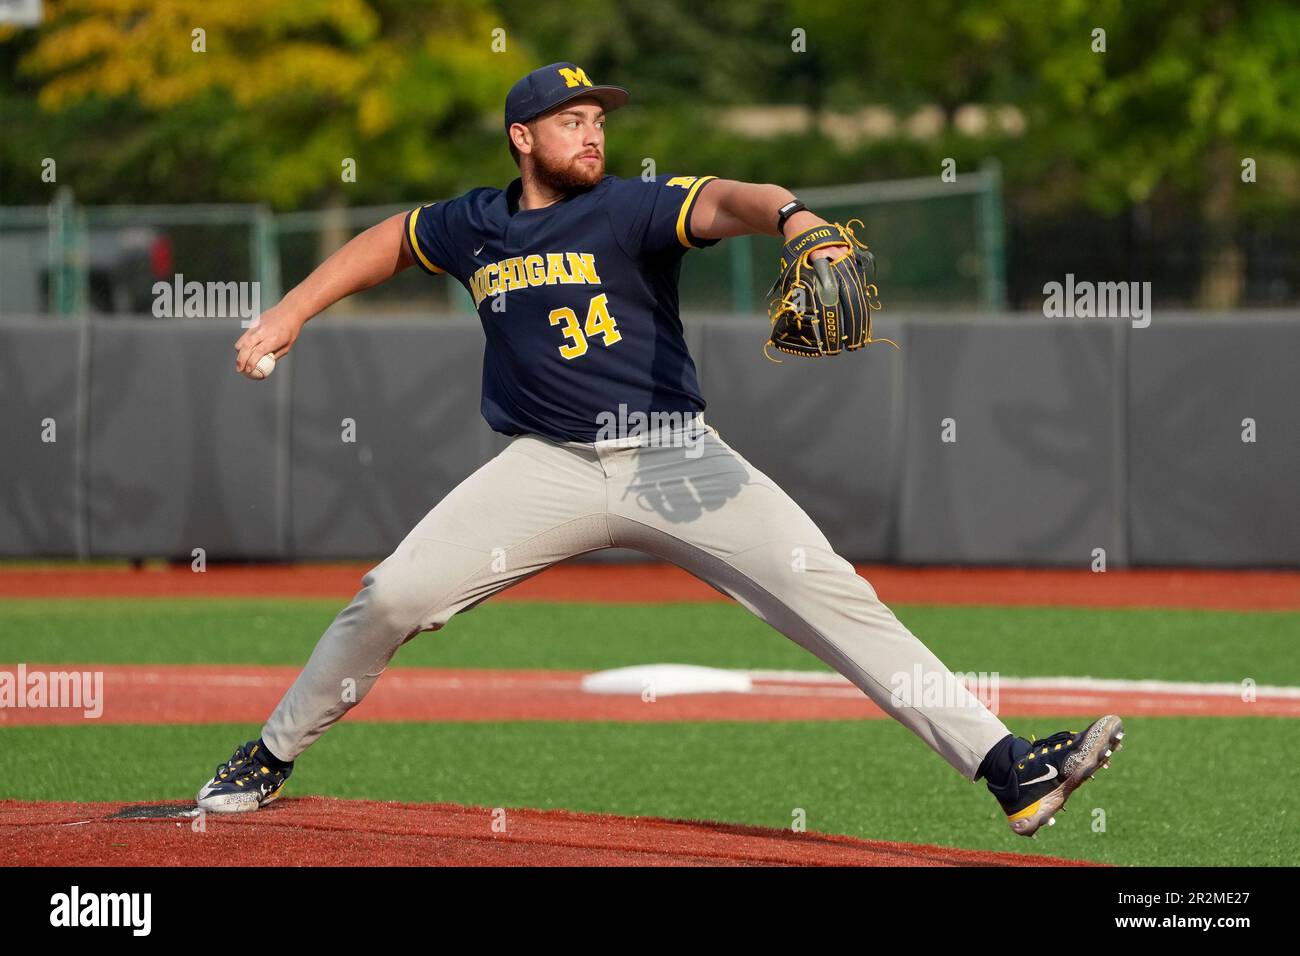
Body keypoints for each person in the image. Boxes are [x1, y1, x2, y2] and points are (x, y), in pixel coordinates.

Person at [197, 63, 1123, 838]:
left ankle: (1012, 770)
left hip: (679, 459)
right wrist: (290, 314)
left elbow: (727, 197)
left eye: (599, 119)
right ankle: (272, 752)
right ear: (523, 136)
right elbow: (387, 242)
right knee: (391, 593)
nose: (592, 134)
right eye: (571, 120)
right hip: (548, 467)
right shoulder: (474, 223)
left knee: (833, 596)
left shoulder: (631, 208)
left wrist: (795, 216)